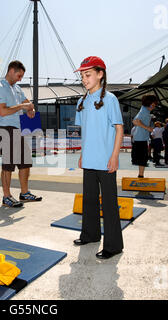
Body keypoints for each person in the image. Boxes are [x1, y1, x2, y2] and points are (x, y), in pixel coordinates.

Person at [73, 56, 124, 260]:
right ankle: (90, 235)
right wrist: (82, 155)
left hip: (105, 161)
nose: (84, 79)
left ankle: (113, 246)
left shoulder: (110, 99)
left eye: (88, 75)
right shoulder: (82, 101)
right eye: (82, 76)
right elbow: (86, 131)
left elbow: (119, 129)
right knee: (90, 200)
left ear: (100, 74)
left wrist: (114, 156)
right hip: (89, 160)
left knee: (110, 204)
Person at [0, 60, 42, 207]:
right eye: (19, 75)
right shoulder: (0, 87)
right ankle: (6, 197)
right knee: (8, 164)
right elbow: (2, 111)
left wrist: (30, 109)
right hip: (6, 128)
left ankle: (24, 193)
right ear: (11, 71)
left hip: (19, 129)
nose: (20, 79)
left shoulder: (17, 88)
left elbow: (29, 104)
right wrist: (22, 106)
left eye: (22, 76)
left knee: (25, 162)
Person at [131, 94, 158, 178]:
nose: (153, 107)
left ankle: (141, 175)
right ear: (148, 103)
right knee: (142, 159)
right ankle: (140, 175)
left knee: (142, 159)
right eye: (153, 105)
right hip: (140, 138)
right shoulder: (144, 111)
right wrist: (148, 128)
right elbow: (135, 121)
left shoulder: (145, 110)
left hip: (140, 137)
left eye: (154, 105)